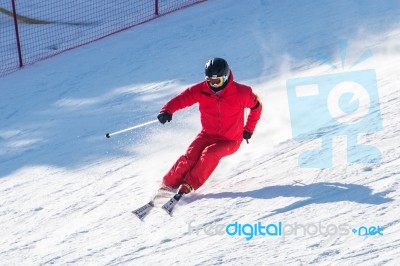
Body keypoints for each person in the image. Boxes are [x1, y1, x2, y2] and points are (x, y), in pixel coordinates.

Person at [157, 58, 262, 195]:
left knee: (210, 154)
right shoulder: (202, 90)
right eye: (210, 81)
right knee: (190, 157)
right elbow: (183, 98)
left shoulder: (242, 92)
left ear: (225, 78)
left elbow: (257, 107)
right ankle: (168, 184)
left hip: (230, 140)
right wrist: (167, 110)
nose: (213, 85)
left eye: (217, 81)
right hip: (207, 135)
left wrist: (249, 129)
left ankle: (189, 184)